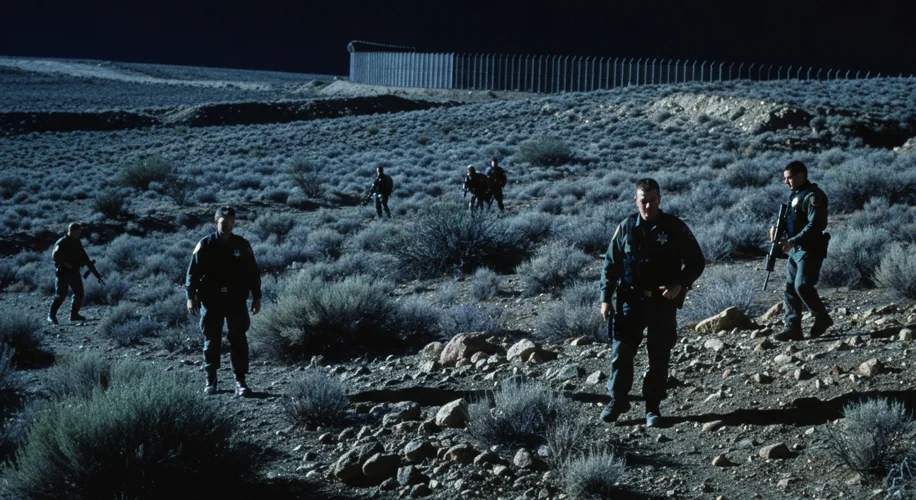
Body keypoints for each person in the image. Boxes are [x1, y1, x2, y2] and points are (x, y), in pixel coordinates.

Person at [598, 178, 705, 427]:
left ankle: (652, 406)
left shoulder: (675, 227)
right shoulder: (626, 227)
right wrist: (605, 299)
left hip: (662, 303)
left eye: (653, 200)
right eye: (643, 201)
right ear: (635, 201)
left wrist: (679, 284)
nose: (648, 206)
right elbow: (610, 264)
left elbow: (696, 261)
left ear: (660, 199)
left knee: (658, 355)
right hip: (629, 301)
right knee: (621, 353)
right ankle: (618, 400)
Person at [186, 206, 262, 397]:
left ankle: (240, 380)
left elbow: (253, 272)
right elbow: (193, 273)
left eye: (231, 222)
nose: (228, 226)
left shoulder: (242, 244)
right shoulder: (205, 244)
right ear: (216, 222)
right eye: (224, 222)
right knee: (211, 339)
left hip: (236, 299)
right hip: (212, 300)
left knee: (239, 339)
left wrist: (257, 296)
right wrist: (190, 297)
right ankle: (211, 378)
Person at [771, 161, 833, 341]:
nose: (786, 182)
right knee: (790, 288)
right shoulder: (796, 196)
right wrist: (776, 229)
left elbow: (816, 225)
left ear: (801, 176)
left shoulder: (814, 196)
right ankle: (792, 328)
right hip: (795, 250)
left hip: (810, 248)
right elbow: (792, 220)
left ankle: (822, 317)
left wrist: (792, 241)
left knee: (802, 285)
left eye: (789, 178)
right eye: (785, 178)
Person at [47, 222, 102, 324]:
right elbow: (55, 256)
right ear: (71, 231)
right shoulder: (62, 242)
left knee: (79, 293)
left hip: (74, 272)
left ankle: (74, 314)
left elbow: (84, 258)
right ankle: (51, 315)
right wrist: (64, 263)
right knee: (61, 295)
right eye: (77, 232)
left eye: (79, 232)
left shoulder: (77, 242)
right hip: (63, 272)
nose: (78, 234)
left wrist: (97, 275)